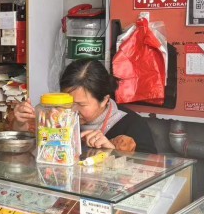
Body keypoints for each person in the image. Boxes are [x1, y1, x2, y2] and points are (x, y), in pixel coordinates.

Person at [13, 59, 157, 154]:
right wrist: (20, 123)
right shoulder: (54, 117)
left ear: (105, 100)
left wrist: (112, 152)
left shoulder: (132, 125)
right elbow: (27, 149)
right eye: (68, 102)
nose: (72, 109)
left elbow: (149, 172)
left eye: (81, 104)